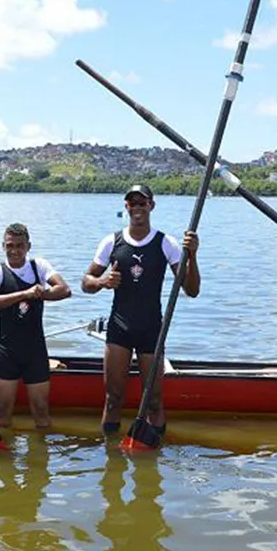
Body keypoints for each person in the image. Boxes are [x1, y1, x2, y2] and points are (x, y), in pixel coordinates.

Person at [81, 184, 200, 436]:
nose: (137, 208)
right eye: (132, 203)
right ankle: (111, 464)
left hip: (151, 329)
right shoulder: (111, 241)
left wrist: (193, 256)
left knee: (154, 401)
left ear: (151, 206)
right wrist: (103, 282)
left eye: (142, 203)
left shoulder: (166, 243)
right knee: (113, 399)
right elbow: (85, 283)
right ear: (126, 207)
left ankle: (153, 452)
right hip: (119, 328)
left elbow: (191, 289)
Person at [0, 222, 72, 429]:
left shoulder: (38, 266)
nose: (14, 250)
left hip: (35, 351)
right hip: (7, 351)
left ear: (28, 246)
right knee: (3, 411)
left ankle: (40, 460)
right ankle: (2, 459)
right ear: (3, 246)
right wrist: (25, 294)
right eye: (9, 245)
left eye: (19, 246)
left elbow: (65, 290)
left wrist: (43, 294)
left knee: (41, 411)